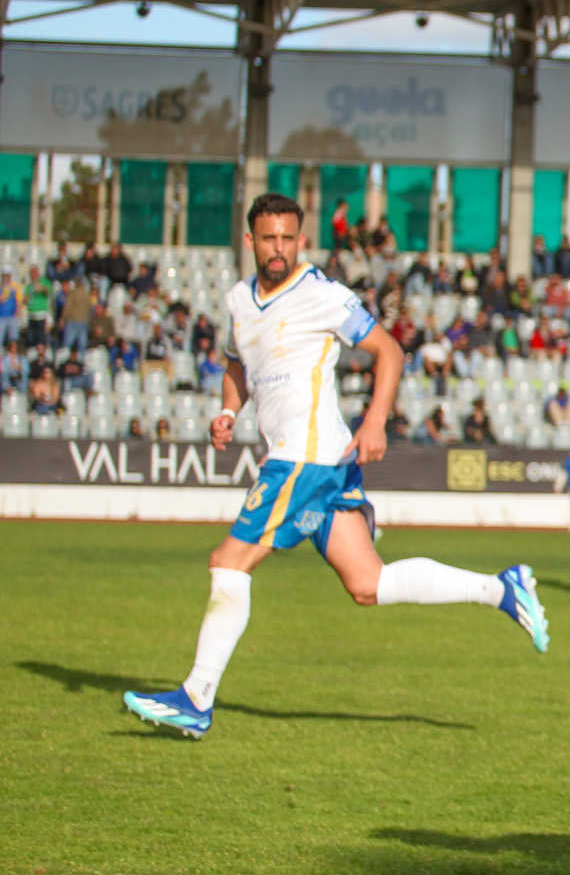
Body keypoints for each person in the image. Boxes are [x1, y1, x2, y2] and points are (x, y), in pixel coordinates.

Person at [122, 193, 548, 741]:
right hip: (319, 460)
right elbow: (237, 363)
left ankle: (195, 698)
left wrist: (376, 421)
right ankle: (501, 589)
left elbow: (389, 350)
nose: (279, 248)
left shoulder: (322, 294)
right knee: (368, 583)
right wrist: (229, 410)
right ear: (250, 241)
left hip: (307, 456)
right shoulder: (239, 300)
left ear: (301, 239)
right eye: (269, 238)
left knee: (229, 561)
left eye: (288, 238)